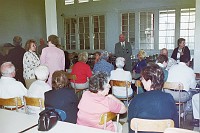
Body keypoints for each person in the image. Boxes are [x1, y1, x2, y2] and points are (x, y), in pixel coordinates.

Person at [128, 64, 179, 133]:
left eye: (142, 79)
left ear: (149, 82)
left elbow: (131, 127)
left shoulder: (137, 99)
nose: (141, 81)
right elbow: (175, 125)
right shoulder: (169, 98)